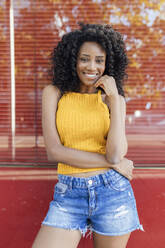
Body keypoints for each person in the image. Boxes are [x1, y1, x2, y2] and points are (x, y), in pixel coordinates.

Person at [32, 23, 143, 248]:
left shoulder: (113, 100)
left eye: (99, 60)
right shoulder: (54, 93)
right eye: (84, 58)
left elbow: (115, 155)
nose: (92, 66)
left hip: (113, 192)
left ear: (108, 64)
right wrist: (115, 164)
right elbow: (54, 151)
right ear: (72, 60)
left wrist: (115, 100)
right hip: (69, 194)